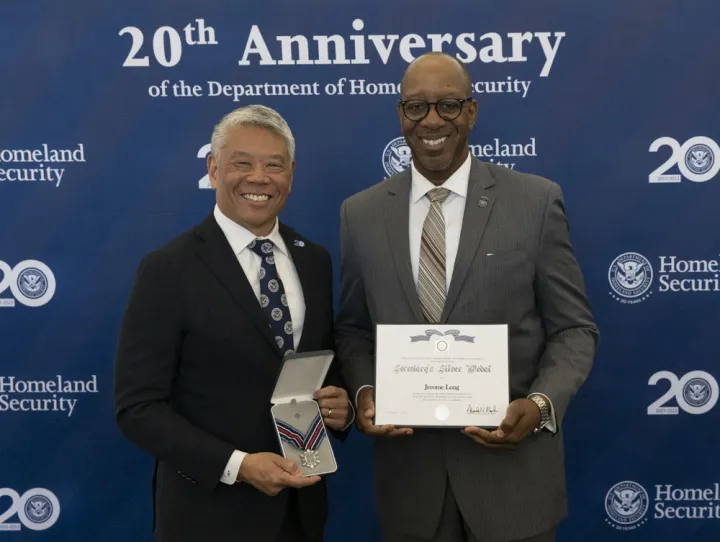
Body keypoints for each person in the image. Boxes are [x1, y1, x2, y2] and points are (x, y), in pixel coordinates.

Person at [335, 53, 599, 542]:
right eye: (416, 107)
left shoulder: (535, 201)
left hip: (513, 483)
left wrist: (540, 405)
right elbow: (352, 329)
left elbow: (574, 330)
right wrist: (366, 390)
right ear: (400, 115)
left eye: (448, 105)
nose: (432, 121)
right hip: (412, 489)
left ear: (472, 112)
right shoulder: (361, 214)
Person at [114, 104, 353, 542]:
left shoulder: (313, 259)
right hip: (207, 517)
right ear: (213, 168)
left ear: (292, 173)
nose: (258, 178)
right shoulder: (168, 269)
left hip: (300, 514)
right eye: (241, 163)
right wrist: (239, 465)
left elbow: (316, 367)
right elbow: (138, 408)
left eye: (273, 165)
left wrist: (341, 408)